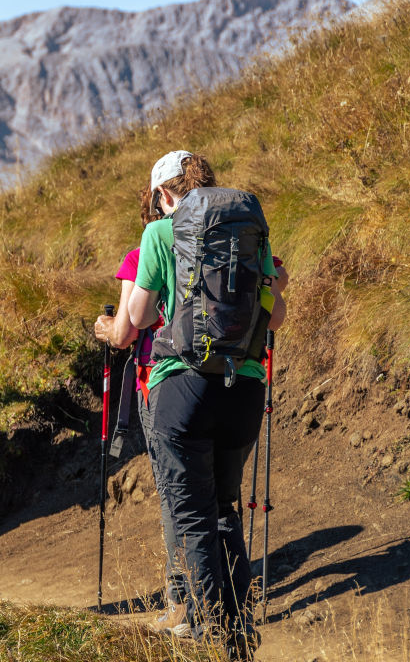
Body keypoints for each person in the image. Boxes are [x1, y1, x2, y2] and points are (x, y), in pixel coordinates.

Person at [94, 161, 290, 639]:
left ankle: (210, 633)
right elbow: (276, 315)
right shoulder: (248, 231)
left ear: (163, 193)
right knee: (225, 509)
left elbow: (138, 316)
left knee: (194, 516)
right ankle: (237, 631)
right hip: (243, 388)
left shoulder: (161, 232)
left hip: (182, 387)